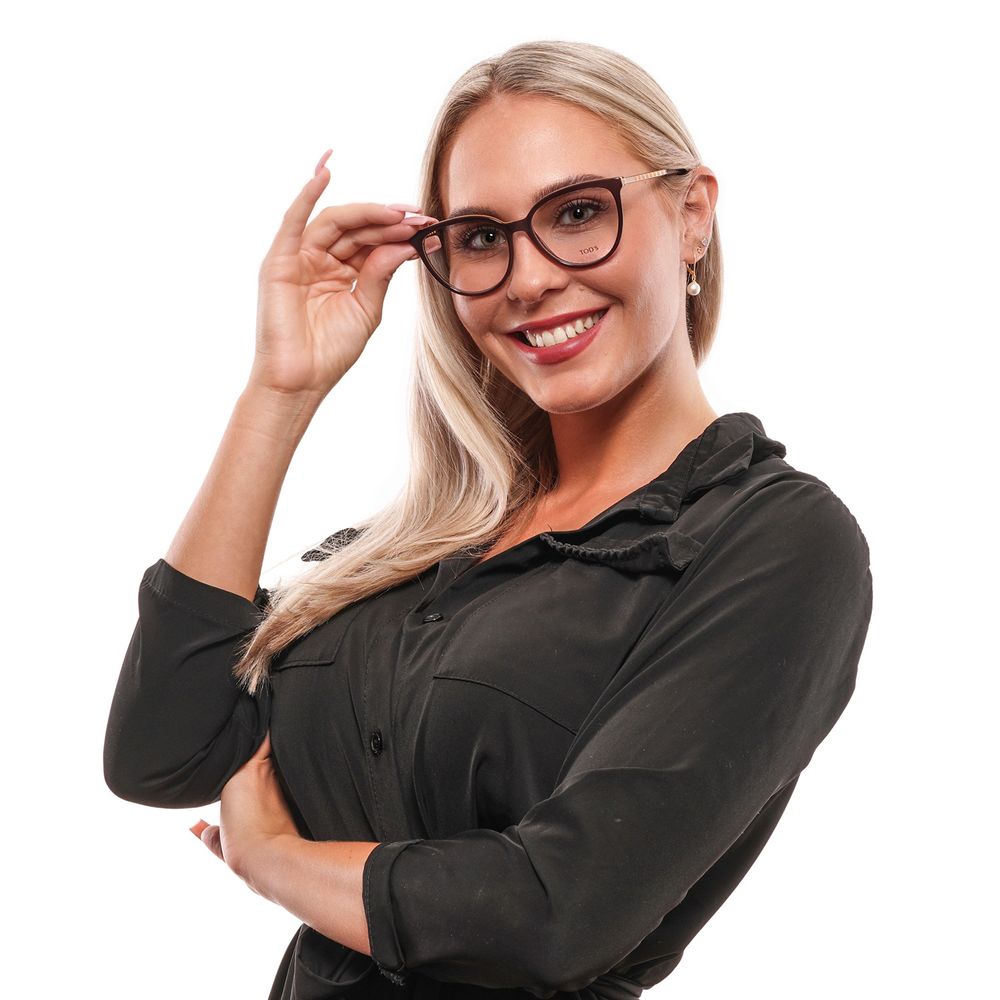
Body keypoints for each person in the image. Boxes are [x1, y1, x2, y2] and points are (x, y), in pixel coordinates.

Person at [103, 39, 874, 1000]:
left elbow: (555, 912)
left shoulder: (772, 543)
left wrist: (269, 859)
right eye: (480, 236)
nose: (528, 277)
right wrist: (279, 389)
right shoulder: (410, 555)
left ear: (691, 215)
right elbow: (162, 751)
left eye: (579, 213)